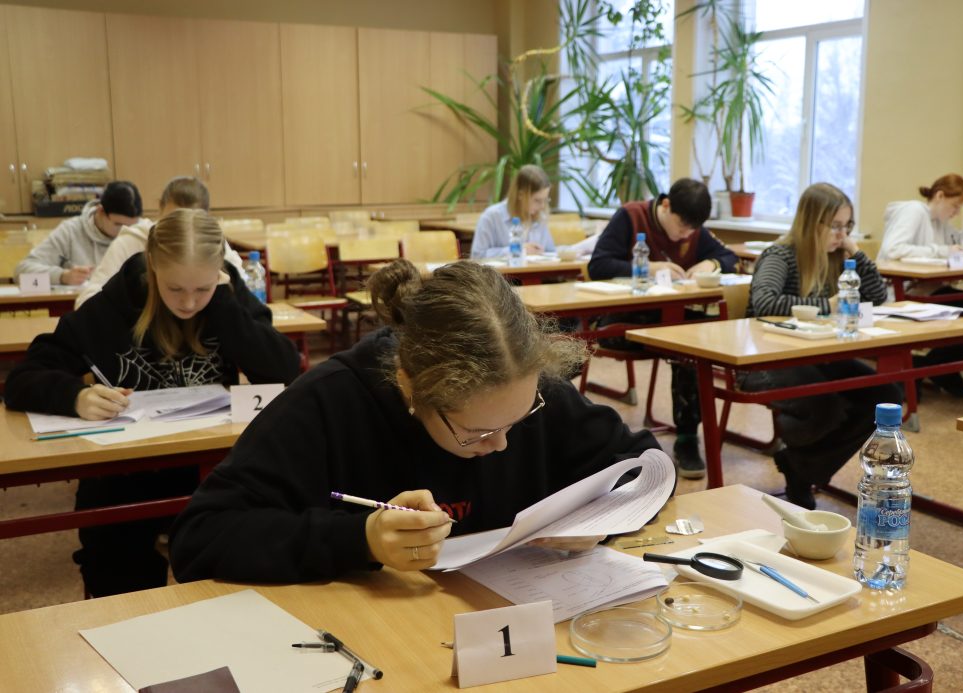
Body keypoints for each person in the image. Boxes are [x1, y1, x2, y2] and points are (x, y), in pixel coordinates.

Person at [169, 259, 661, 582]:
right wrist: (360, 538)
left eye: (519, 419)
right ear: (410, 385)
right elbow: (200, 537)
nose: (503, 445)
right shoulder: (328, 403)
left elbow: (647, 464)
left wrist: (600, 520)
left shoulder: (521, 382)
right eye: (478, 433)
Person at [5, 209, 300, 597]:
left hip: (211, 467)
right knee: (119, 574)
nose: (189, 302)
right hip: (126, 471)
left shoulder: (225, 297)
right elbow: (23, 378)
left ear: (219, 274)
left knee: (237, 571)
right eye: (174, 289)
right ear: (153, 267)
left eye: (202, 289)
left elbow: (283, 370)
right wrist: (75, 396)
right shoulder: (116, 302)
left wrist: (224, 305)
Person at [745, 183, 901, 509]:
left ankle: (800, 467)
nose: (841, 235)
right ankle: (802, 466)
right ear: (811, 223)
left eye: (847, 226)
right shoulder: (781, 255)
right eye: (835, 226)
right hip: (767, 359)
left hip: (819, 354)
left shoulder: (838, 257)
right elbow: (764, 303)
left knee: (885, 396)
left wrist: (856, 252)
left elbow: (877, 297)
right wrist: (825, 305)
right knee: (826, 405)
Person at [587, 177, 738, 480]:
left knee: (691, 346)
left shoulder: (692, 227)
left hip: (671, 321)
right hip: (624, 323)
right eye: (682, 226)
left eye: (693, 230)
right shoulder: (631, 216)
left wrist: (711, 264)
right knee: (684, 338)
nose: (686, 235)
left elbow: (729, 257)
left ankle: (687, 438)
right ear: (666, 205)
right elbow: (598, 265)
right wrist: (647, 268)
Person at [878, 173, 963, 397]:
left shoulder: (941, 224)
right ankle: (934, 369)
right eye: (955, 206)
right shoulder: (914, 211)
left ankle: (931, 367)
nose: (956, 212)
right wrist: (942, 251)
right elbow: (893, 249)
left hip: (929, 289)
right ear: (940, 196)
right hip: (902, 291)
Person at [75, 176, 246, 308]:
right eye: (172, 219)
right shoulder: (132, 241)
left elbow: (243, 292)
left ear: (206, 218)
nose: (179, 232)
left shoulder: (212, 244)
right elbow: (86, 301)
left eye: (192, 222)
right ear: (160, 208)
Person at [14, 180, 145, 286]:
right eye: (118, 224)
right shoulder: (70, 231)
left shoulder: (142, 232)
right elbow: (22, 270)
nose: (126, 231)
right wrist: (62, 276)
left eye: (132, 226)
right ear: (100, 211)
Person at [470, 165, 555, 259]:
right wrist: (515, 250)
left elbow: (551, 252)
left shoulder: (540, 217)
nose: (542, 206)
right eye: (537, 200)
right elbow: (477, 256)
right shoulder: (491, 217)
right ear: (520, 195)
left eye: (545, 200)